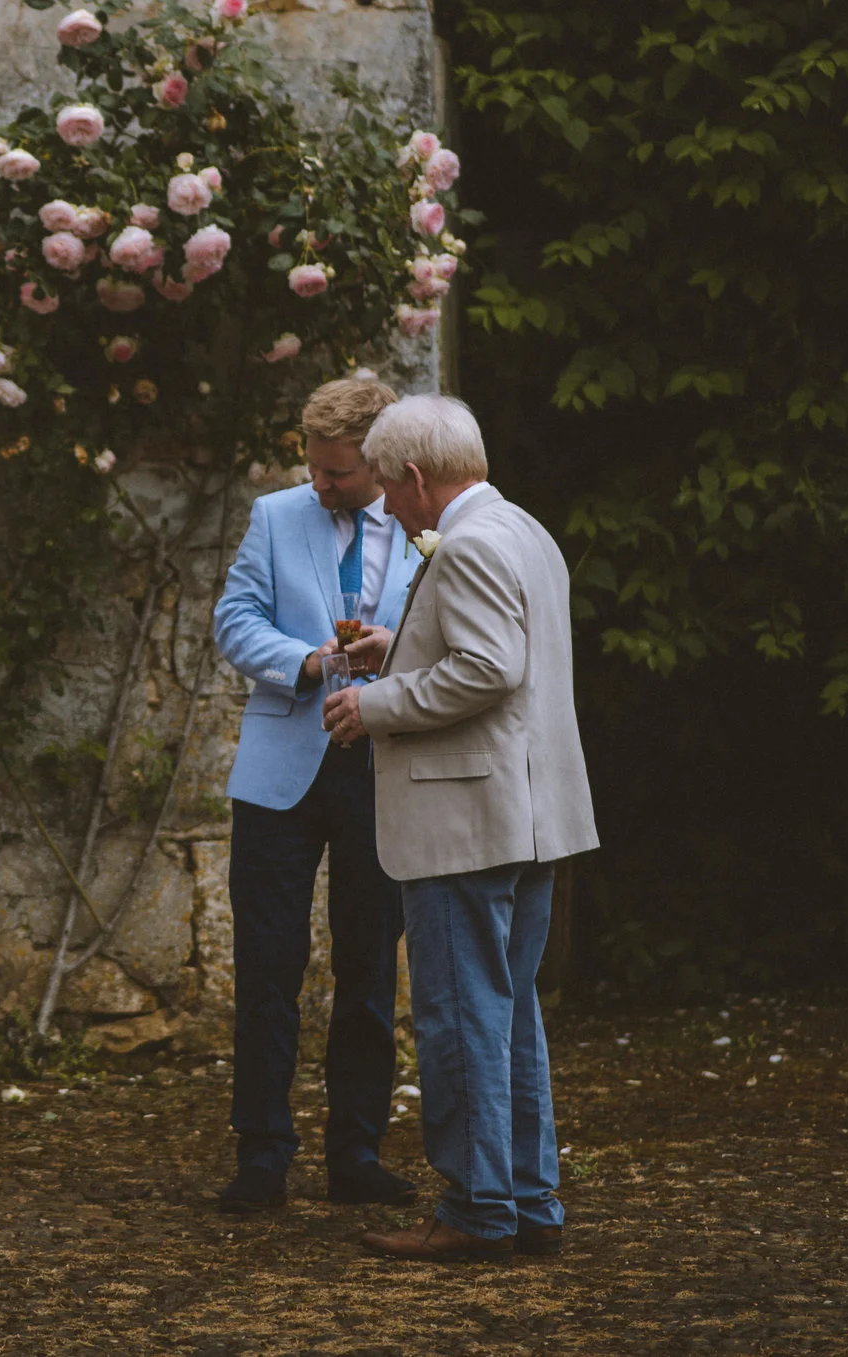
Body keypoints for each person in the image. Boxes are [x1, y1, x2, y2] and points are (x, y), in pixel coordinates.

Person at [322, 394, 598, 1262]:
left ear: (413, 476)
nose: (387, 510)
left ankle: (479, 1209)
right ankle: (527, 1198)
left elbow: (487, 666)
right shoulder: (524, 530)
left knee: (459, 1016)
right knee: (509, 1015)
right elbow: (505, 665)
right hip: (527, 815)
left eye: (387, 492)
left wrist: (376, 703)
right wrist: (396, 653)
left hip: (465, 820)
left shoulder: (468, 543)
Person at [209, 376, 423, 1214]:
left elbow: (452, 628)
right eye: (314, 468)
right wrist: (307, 662)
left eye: (337, 474)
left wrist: (391, 650)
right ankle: (262, 1155)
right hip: (279, 771)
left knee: (370, 966)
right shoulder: (273, 515)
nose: (320, 485)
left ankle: (356, 1153)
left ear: (381, 465)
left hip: (381, 760)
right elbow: (235, 618)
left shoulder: (426, 522)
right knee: (268, 967)